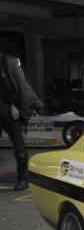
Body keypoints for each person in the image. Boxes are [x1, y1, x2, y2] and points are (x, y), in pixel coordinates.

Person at [0, 53, 45, 191]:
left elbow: (23, 88)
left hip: (7, 107)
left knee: (19, 147)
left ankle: (23, 178)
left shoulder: (9, 63)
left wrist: (16, 105)